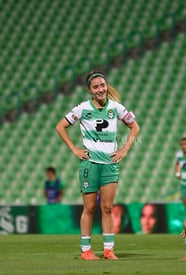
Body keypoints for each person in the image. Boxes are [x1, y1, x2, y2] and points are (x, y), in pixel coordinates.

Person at [56, 71, 140, 260]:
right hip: (90, 164)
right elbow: (60, 126)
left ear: (106, 85)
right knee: (89, 208)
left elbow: (135, 127)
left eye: (102, 85)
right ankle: (86, 250)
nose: (100, 89)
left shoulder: (116, 108)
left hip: (110, 164)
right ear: (90, 90)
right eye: (96, 87)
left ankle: (108, 250)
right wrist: (74, 149)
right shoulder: (82, 108)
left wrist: (125, 149)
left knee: (108, 208)